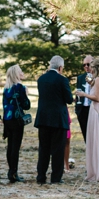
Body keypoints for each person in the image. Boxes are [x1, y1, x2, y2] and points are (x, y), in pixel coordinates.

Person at [34, 55, 73, 185]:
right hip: (58, 119)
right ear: (60, 67)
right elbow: (68, 99)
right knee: (58, 149)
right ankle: (56, 177)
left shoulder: (41, 79)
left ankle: (41, 176)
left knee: (44, 149)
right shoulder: (62, 80)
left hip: (44, 118)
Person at [2, 65, 30, 183]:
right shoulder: (20, 88)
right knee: (15, 147)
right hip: (17, 120)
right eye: (20, 71)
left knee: (10, 146)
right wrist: (26, 94)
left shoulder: (6, 88)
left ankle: (10, 171)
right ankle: (14, 172)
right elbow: (26, 106)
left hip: (7, 119)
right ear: (16, 74)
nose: (22, 73)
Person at [74, 56, 94, 142]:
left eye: (88, 64)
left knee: (94, 135)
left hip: (93, 109)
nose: (86, 66)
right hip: (82, 109)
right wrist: (77, 108)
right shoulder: (80, 78)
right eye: (84, 65)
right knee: (86, 136)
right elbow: (78, 93)